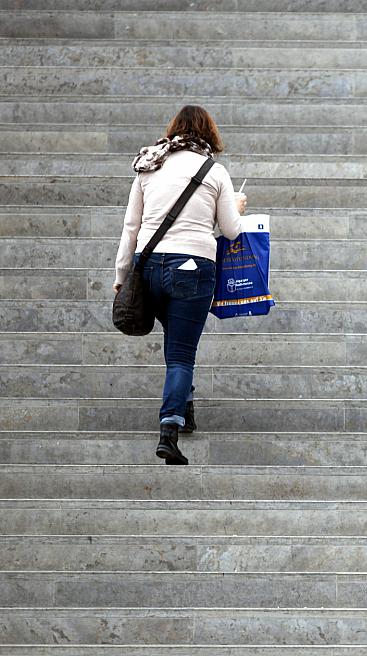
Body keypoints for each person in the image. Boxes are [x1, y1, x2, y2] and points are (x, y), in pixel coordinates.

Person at [113, 105, 246, 465]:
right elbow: (231, 230)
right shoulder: (214, 172)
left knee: (175, 342)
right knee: (182, 354)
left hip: (149, 267)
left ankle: (185, 409)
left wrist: (121, 276)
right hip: (193, 267)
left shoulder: (148, 166)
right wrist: (236, 205)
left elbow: (131, 227)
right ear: (209, 134)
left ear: (174, 131)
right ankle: (169, 430)